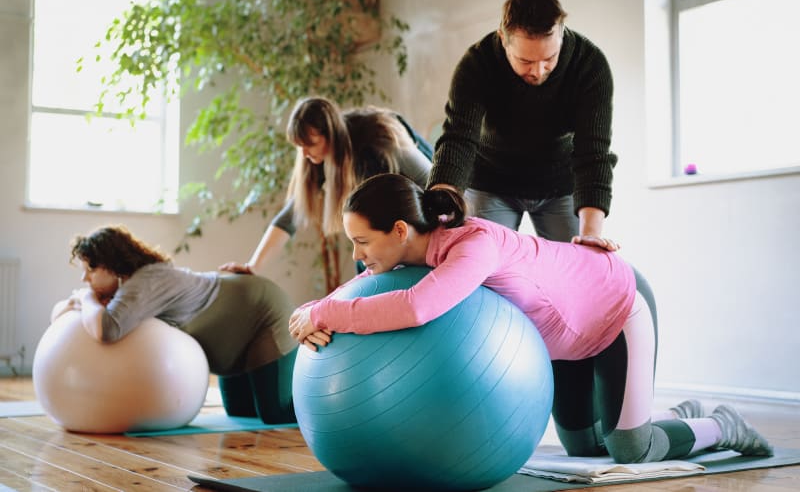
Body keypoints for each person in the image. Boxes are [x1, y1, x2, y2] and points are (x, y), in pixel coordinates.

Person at [288, 173, 773, 464]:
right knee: (584, 447)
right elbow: (358, 289)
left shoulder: (474, 246)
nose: (356, 254)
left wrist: (327, 311)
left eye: (362, 242)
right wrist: (308, 311)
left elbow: (416, 308)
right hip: (567, 341)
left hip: (618, 308)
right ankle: (677, 415)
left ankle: (721, 426)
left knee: (629, 449)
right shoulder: (414, 251)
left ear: (398, 230)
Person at [427, 0, 617, 249]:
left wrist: (591, 236)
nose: (538, 71)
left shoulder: (590, 65)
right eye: (525, 60)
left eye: (549, 58)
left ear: (562, 33)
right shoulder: (477, 64)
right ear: (503, 39)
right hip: (492, 181)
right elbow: (459, 139)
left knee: (577, 266)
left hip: (560, 182)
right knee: (484, 264)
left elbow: (593, 152)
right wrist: (441, 204)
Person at [51, 225, 298, 425]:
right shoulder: (132, 287)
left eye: (90, 270)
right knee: (240, 412)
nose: (85, 279)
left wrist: (85, 298)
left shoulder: (147, 281)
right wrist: (83, 301)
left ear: (112, 264)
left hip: (263, 312)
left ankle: (325, 407)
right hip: (235, 337)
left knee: (275, 414)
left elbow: (106, 329)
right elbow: (59, 316)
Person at [219, 96, 432, 276]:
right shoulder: (316, 159)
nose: (303, 153)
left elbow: (429, 178)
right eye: (299, 146)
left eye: (309, 144)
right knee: (364, 263)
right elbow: (290, 216)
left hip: (423, 215)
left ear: (329, 134)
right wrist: (253, 266)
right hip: (384, 232)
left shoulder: (378, 135)